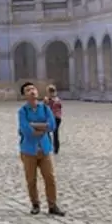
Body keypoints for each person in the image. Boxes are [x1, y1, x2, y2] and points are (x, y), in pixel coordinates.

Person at [18, 82, 65, 216]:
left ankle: (52, 204)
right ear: (24, 95)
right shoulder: (22, 111)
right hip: (28, 150)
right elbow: (25, 129)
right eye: (28, 90)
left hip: (44, 148)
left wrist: (36, 127)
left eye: (33, 88)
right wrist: (41, 128)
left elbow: (52, 125)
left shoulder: (45, 109)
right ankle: (35, 204)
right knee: (31, 179)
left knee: (50, 177)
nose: (32, 91)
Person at [45, 84, 63, 153]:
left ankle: (51, 148)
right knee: (55, 133)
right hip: (58, 118)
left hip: (54, 118)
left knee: (48, 132)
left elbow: (47, 107)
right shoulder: (57, 99)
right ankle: (55, 149)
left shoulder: (52, 100)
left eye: (48, 92)